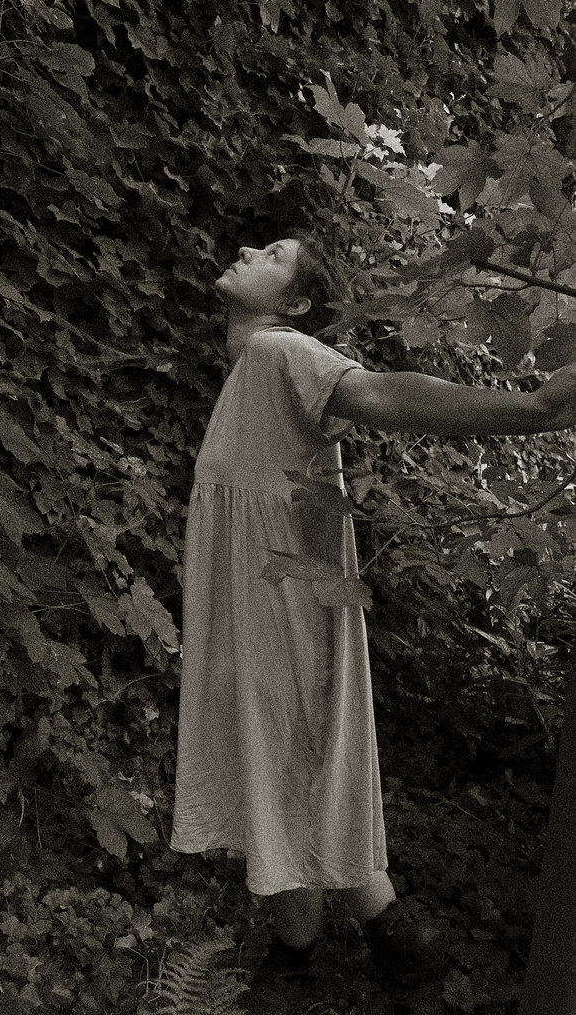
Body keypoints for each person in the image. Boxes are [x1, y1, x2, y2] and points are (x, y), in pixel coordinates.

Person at [169, 233, 576, 984]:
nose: (247, 248)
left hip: (280, 610)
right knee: (284, 754)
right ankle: (375, 947)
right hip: (264, 602)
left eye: (272, 254)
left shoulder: (279, 350)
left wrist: (534, 409)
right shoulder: (252, 368)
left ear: (295, 304)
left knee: (285, 753)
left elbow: (382, 393)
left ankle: (329, 957)